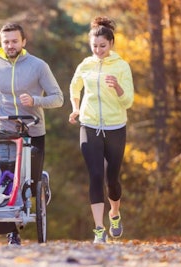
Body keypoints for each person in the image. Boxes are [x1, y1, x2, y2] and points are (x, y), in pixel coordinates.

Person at [0, 22, 64, 245]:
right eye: (6, 42)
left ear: (24, 42)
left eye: (14, 41)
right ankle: (13, 232)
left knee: (30, 185)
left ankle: (41, 179)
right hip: (5, 131)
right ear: (1, 43)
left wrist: (35, 100)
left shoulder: (38, 66)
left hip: (33, 128)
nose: (10, 45)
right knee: (7, 181)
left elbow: (58, 98)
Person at [68, 16, 134, 244]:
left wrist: (117, 87)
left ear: (111, 44)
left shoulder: (122, 66)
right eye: (94, 46)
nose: (98, 50)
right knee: (95, 175)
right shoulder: (85, 65)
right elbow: (74, 87)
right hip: (89, 125)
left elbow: (128, 102)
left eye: (102, 46)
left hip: (116, 127)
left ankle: (114, 213)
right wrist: (76, 109)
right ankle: (99, 229)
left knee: (112, 179)